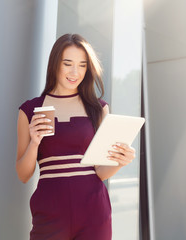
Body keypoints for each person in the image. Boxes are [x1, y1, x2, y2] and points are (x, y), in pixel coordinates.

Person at [16, 33, 136, 240]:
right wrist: (34, 142)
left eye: (82, 65)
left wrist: (120, 162)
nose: (75, 72)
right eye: (68, 63)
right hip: (49, 211)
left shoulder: (98, 109)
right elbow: (23, 174)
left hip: (93, 211)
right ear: (55, 65)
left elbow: (100, 171)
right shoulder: (30, 110)